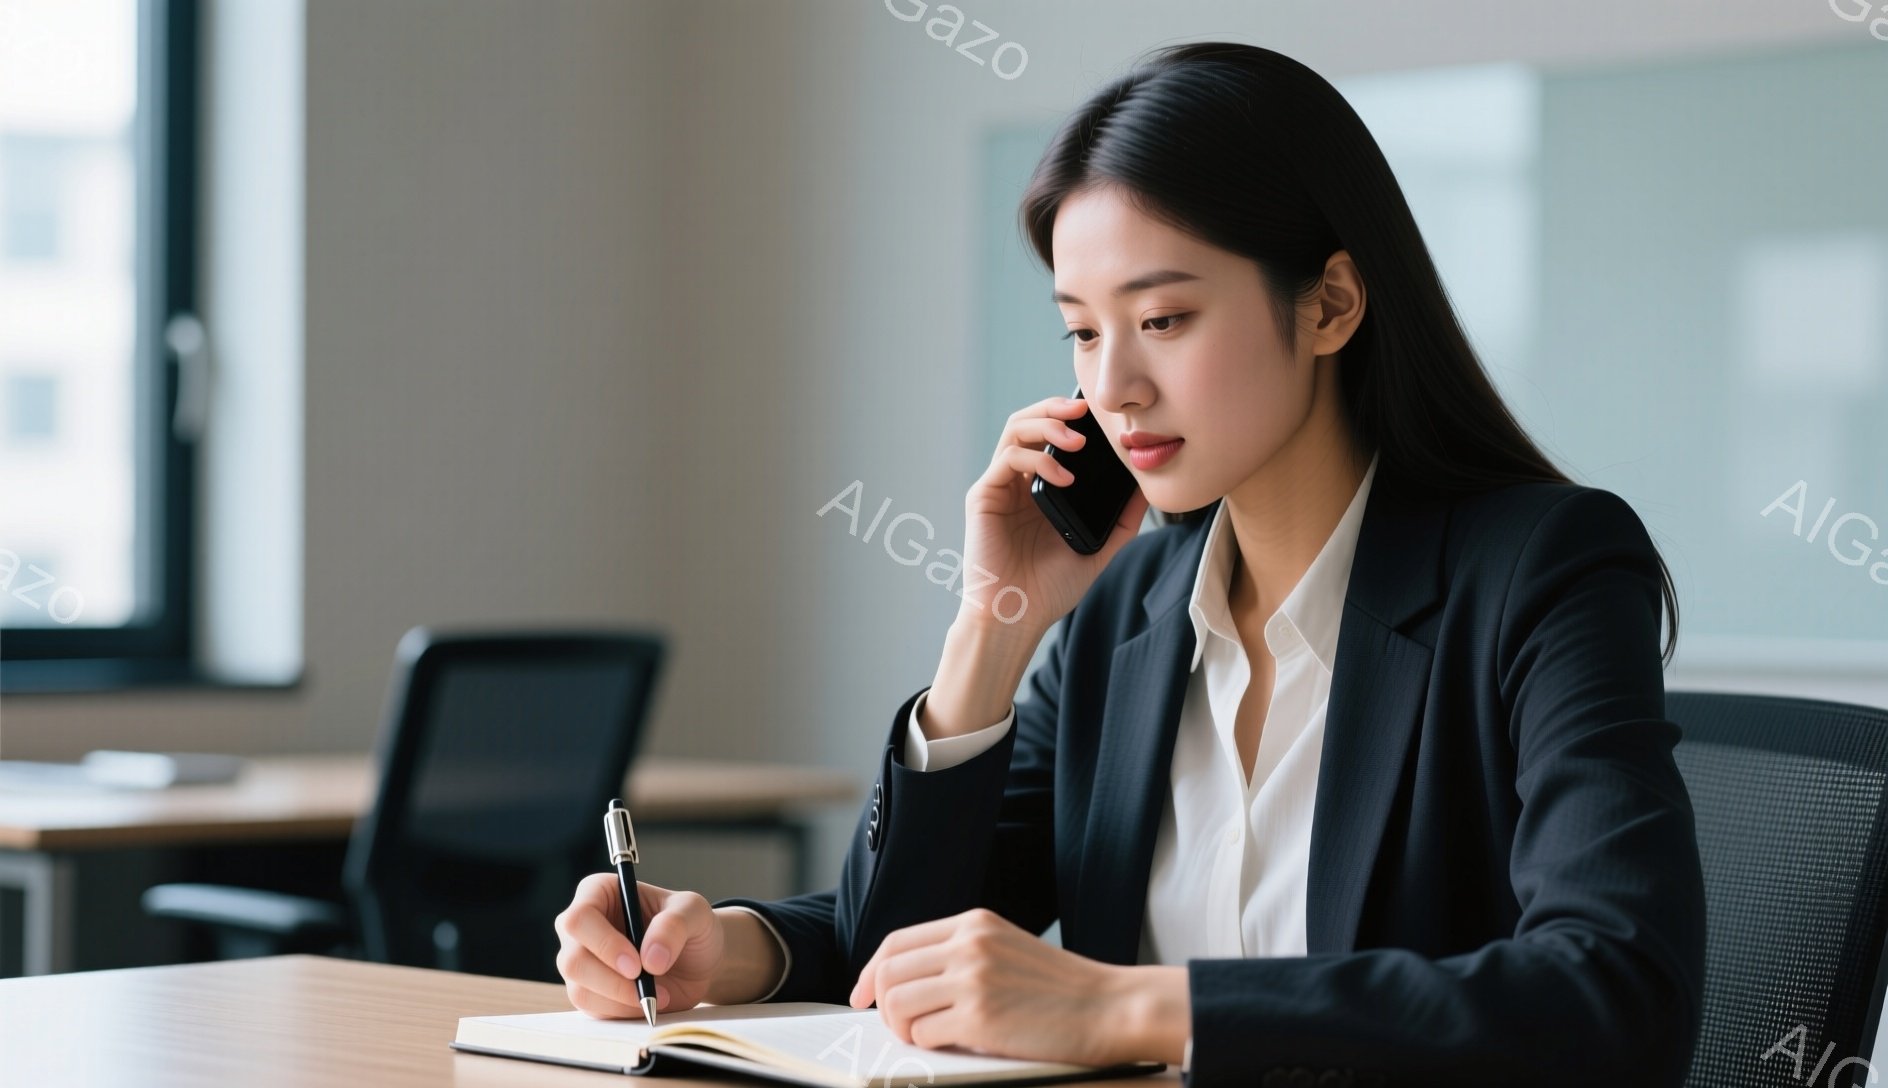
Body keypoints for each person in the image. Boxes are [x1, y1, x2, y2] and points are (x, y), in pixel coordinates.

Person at [553, 41, 1705, 1087]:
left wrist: (1126, 1005)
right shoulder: (1132, 614)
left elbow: (1612, 991)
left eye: (1161, 320)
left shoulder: (1543, 568)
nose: (1113, 387)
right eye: (1083, 329)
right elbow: (904, 939)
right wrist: (993, 628)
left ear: (1331, 304)